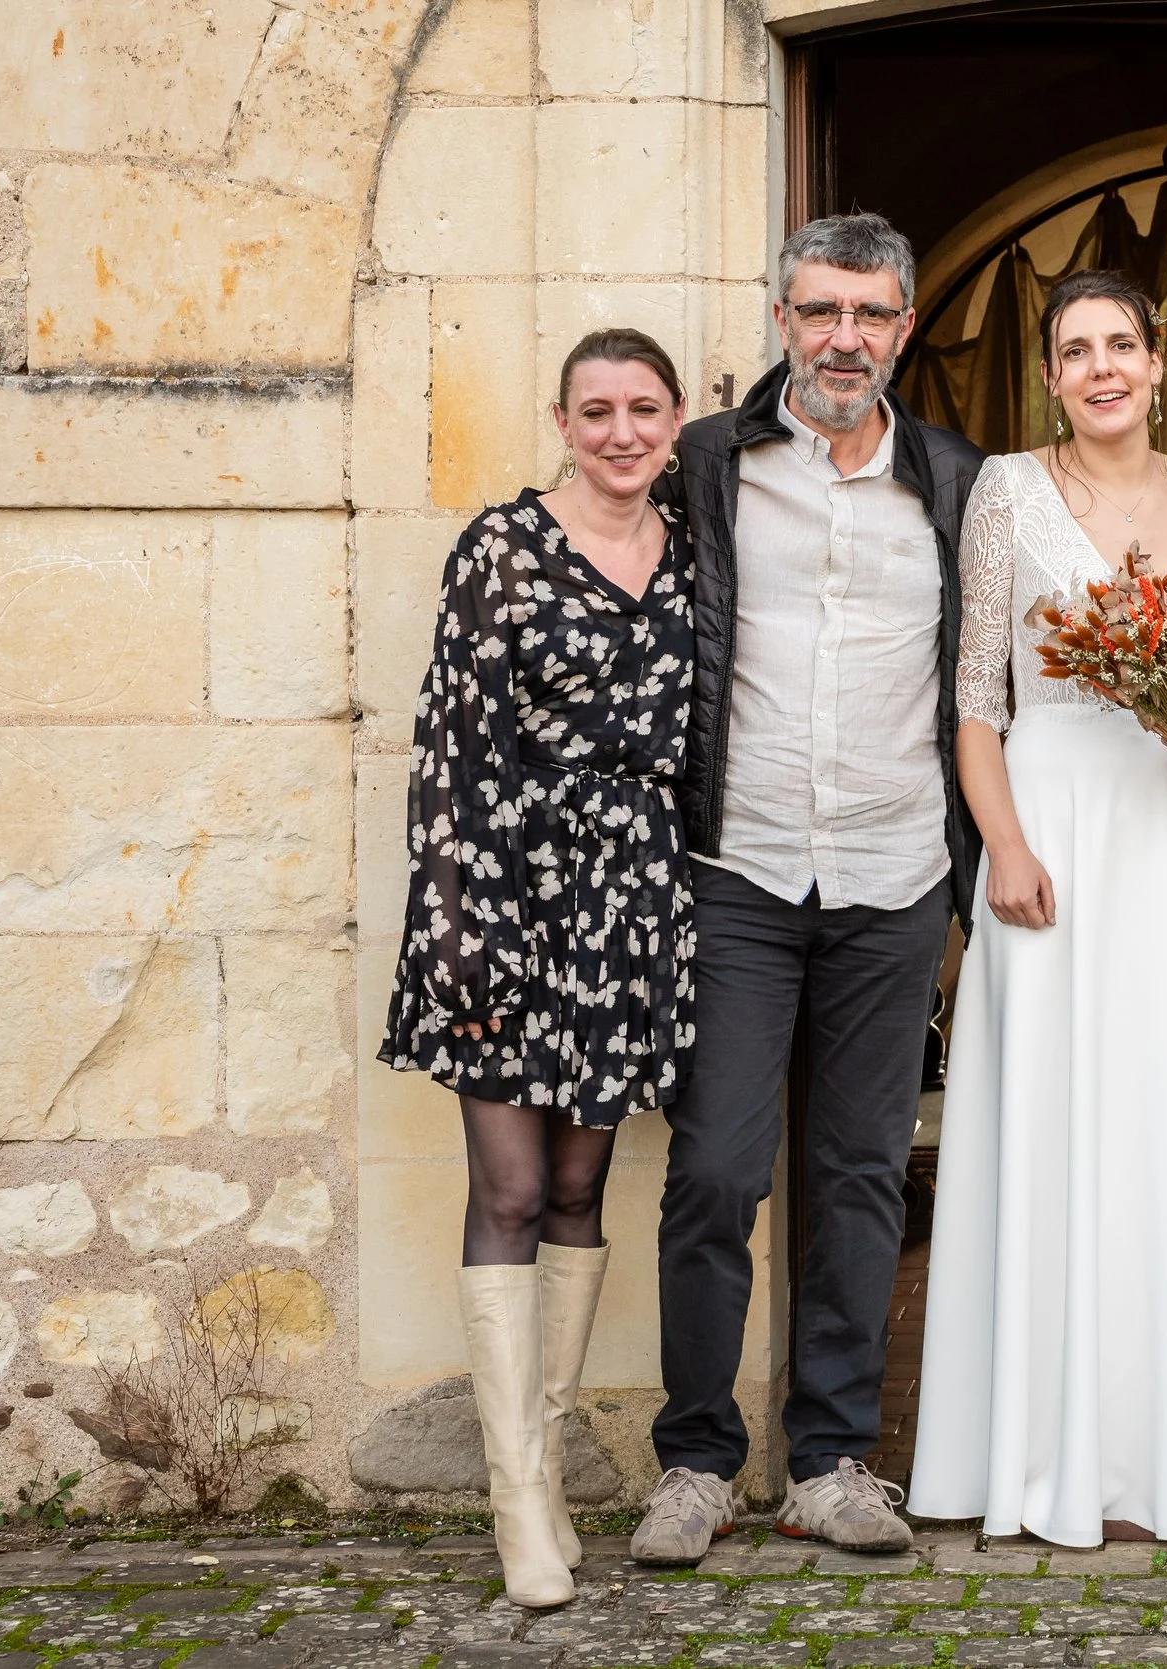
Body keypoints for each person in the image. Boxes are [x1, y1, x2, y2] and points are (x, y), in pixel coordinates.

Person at [910, 269, 1167, 1546]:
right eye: (1074, 351)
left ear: (1156, 355)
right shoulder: (1006, 496)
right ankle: (1040, 1445)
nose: (1101, 369)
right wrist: (1002, 846)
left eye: (1120, 344)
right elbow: (978, 699)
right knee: (1060, 1116)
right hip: (1055, 833)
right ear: (1051, 373)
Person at [631, 214, 984, 1563]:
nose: (846, 338)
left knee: (858, 1176)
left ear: (905, 328)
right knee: (715, 1171)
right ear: (782, 319)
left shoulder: (955, 479)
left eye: (873, 315)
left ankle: (832, 1458)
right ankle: (696, 1462)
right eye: (822, 310)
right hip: (739, 863)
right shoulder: (707, 463)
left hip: (895, 867)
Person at [379, 328, 696, 1608]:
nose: (622, 432)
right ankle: (516, 1504)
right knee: (506, 1188)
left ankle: (552, 1475)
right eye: (597, 411)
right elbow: (450, 745)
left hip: (632, 901)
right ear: (562, 420)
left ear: (677, 420)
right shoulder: (501, 550)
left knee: (578, 1186)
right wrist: (465, 928)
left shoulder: (690, 555)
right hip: (507, 887)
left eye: (644, 409)